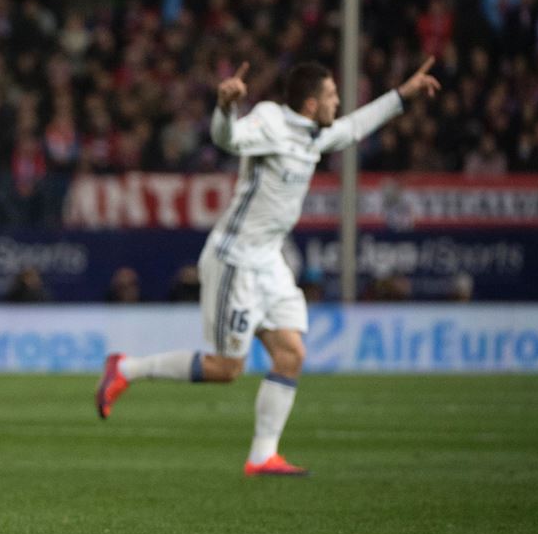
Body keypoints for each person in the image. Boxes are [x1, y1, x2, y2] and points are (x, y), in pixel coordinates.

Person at [96, 57, 440, 476]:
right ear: (310, 104)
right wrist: (225, 108)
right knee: (226, 369)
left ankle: (263, 455)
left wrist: (403, 95)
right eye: (332, 96)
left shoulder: (316, 135)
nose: (338, 103)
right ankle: (126, 368)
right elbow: (229, 139)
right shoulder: (272, 121)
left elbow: (353, 128)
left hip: (269, 261)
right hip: (235, 259)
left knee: (291, 354)